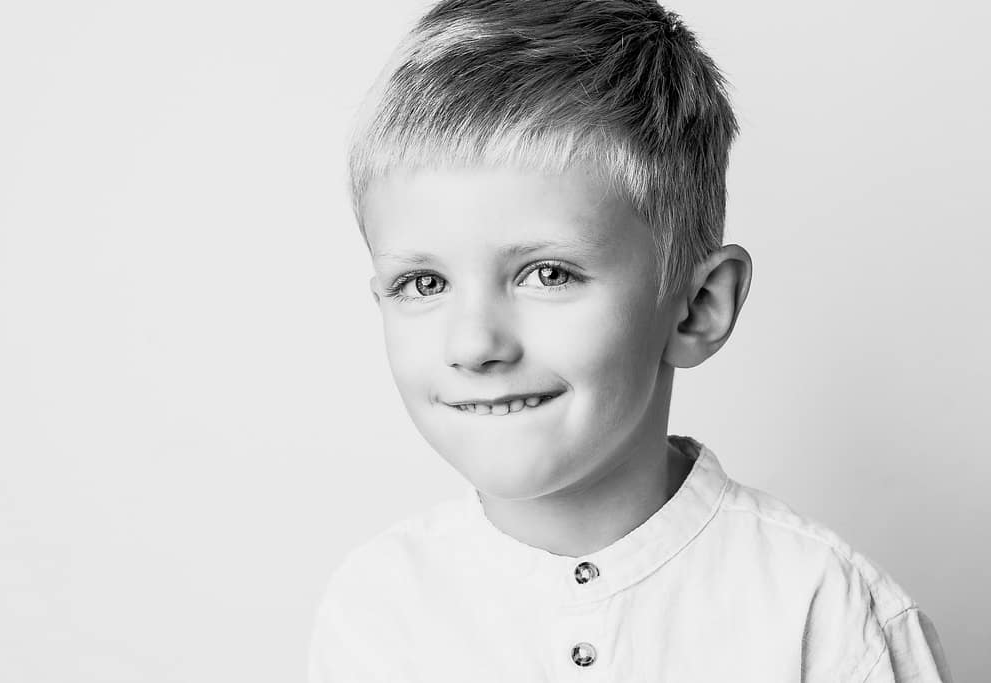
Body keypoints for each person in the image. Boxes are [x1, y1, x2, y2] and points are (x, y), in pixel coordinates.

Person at [308, 1, 953, 680]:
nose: (474, 345)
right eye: (423, 283)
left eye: (546, 273)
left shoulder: (828, 616)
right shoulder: (376, 613)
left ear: (698, 306)